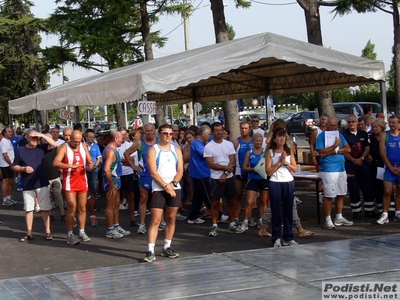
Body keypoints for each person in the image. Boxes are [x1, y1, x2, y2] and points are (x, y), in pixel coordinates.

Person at [143, 124, 183, 262]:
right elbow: (153, 173)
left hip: (174, 188)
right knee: (155, 220)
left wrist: (173, 185)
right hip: (159, 189)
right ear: (159, 134)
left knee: (171, 218)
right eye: (165, 133)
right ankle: (150, 250)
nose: (168, 136)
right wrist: (166, 187)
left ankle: (167, 247)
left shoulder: (176, 150)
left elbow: (180, 171)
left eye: (171, 134)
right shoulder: (153, 150)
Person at [13, 129, 57, 241]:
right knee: (29, 209)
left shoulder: (41, 148)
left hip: (41, 182)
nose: (35, 140)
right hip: (28, 183)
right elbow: (15, 166)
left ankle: (48, 231)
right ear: (26, 137)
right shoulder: (20, 150)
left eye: (37, 138)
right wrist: (23, 168)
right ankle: (29, 232)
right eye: (33, 137)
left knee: (45, 208)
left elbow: (54, 144)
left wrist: (41, 135)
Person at [53, 130, 94, 244]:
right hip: (69, 181)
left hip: (82, 180)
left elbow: (90, 161)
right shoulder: (64, 148)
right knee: (72, 207)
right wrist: (70, 166)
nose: (77, 143)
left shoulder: (83, 146)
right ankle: (70, 234)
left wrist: (90, 166)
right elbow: (56, 163)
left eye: (79, 141)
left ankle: (82, 232)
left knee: (82, 207)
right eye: (75, 141)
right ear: (70, 139)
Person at [316, 117, 353, 230]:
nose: (333, 127)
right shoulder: (321, 136)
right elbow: (321, 152)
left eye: (335, 125)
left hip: (341, 168)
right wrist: (334, 146)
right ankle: (328, 219)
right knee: (329, 195)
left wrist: (334, 151)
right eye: (331, 125)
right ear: (326, 125)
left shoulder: (339, 135)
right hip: (329, 169)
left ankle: (339, 216)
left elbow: (348, 149)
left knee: (341, 193)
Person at [204, 122, 238, 237]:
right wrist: (224, 169)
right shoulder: (208, 147)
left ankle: (232, 224)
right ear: (213, 132)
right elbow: (211, 164)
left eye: (221, 130)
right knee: (215, 202)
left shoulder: (229, 144)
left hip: (228, 177)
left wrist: (225, 174)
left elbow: (232, 162)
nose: (219, 132)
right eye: (216, 130)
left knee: (231, 201)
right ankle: (214, 225)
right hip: (215, 178)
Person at [265, 127, 298, 247]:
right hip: (275, 182)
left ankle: (288, 237)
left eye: (284, 136)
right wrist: (279, 162)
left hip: (288, 182)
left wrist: (286, 163)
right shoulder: (270, 152)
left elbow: (294, 169)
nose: (282, 138)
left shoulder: (289, 152)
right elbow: (268, 171)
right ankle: (276, 237)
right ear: (274, 138)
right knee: (276, 211)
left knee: (288, 210)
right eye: (279, 136)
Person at [124, 123, 159, 234]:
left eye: (151, 130)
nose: (149, 133)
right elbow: (126, 153)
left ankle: (160, 222)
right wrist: (134, 166)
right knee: (143, 199)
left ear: (154, 131)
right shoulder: (140, 143)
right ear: (144, 132)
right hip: (144, 174)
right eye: (147, 131)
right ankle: (142, 224)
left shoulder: (160, 141)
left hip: (158, 174)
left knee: (159, 198)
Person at [342, 114, 375, 219]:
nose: (351, 124)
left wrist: (361, 159)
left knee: (367, 186)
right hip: (350, 163)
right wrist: (353, 160)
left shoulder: (363, 134)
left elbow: (367, 148)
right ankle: (356, 211)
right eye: (349, 122)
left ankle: (370, 210)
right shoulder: (344, 135)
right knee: (353, 187)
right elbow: (344, 151)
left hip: (363, 162)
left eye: (353, 121)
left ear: (357, 122)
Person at [102, 130, 131, 238]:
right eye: (121, 138)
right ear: (115, 139)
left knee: (116, 203)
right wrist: (111, 184)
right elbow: (106, 169)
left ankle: (116, 225)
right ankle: (110, 230)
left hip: (116, 179)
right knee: (111, 205)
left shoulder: (114, 149)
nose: (122, 140)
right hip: (112, 179)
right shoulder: (110, 151)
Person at [367, 118, 395, 215]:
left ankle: (391, 209)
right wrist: (368, 155)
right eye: (373, 127)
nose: (374, 129)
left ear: (382, 127)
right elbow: (367, 148)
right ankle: (380, 208)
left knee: (388, 188)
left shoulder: (387, 136)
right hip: (375, 164)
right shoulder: (371, 138)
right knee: (378, 187)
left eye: (376, 127)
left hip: (386, 164)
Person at [240, 133, 268, 232]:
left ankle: (261, 220)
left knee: (263, 201)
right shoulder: (249, 152)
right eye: (257, 141)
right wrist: (252, 169)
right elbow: (244, 167)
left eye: (260, 141)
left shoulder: (265, 152)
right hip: (252, 178)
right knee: (249, 202)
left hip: (263, 179)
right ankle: (246, 221)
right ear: (253, 142)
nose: (259, 143)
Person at [376, 115, 400, 224]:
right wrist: (390, 167)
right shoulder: (385, 135)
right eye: (390, 122)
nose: (391, 124)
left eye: (394, 122)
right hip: (389, 167)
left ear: (398, 124)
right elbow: (382, 153)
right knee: (387, 191)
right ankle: (385, 214)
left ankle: (398, 212)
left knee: (399, 191)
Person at [187, 126, 212, 224]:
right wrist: (208, 145)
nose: (209, 136)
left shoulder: (199, 143)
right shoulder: (197, 144)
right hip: (200, 173)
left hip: (200, 172)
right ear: (203, 135)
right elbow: (205, 154)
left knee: (199, 196)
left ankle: (192, 217)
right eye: (208, 134)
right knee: (207, 195)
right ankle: (218, 214)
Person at [232, 121, 253, 229]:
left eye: (246, 128)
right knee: (238, 195)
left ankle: (248, 217)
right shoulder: (236, 142)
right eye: (242, 128)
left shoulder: (254, 141)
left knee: (250, 198)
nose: (243, 130)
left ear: (250, 129)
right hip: (240, 171)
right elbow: (231, 157)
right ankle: (236, 217)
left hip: (252, 172)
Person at [85, 129, 102, 227]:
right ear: (86, 137)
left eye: (93, 137)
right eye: (90, 137)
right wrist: (86, 167)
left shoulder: (96, 146)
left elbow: (99, 157)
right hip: (84, 171)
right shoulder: (82, 146)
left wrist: (95, 166)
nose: (92, 138)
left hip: (94, 170)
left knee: (93, 188)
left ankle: (93, 206)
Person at [0, 127, 16, 206]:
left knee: (10, 181)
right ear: (4, 133)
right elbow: (5, 154)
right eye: (9, 132)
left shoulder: (8, 141)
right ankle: (5, 199)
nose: (11, 133)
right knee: (5, 181)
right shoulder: (3, 142)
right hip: (5, 165)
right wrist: (10, 164)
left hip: (10, 164)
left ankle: (9, 197)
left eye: (11, 131)